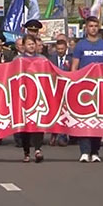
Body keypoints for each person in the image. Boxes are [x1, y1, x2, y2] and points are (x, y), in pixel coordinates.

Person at [71, 16, 103, 162]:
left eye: (95, 26)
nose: (93, 28)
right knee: (84, 119)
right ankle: (84, 151)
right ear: (86, 28)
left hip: (101, 88)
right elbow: (74, 67)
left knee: (98, 120)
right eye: (90, 26)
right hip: (84, 88)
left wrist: (100, 67)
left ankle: (95, 151)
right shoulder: (80, 45)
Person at [15, 34, 47, 162]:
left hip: (38, 95)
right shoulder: (18, 59)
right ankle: (26, 151)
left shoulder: (42, 59)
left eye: (33, 44)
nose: (31, 46)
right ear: (23, 46)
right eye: (29, 44)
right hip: (23, 97)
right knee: (25, 126)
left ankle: (38, 149)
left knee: (38, 123)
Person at [48, 39, 72, 147]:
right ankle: (54, 133)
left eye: (62, 49)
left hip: (67, 88)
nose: (60, 51)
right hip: (55, 88)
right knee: (55, 112)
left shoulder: (71, 59)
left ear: (66, 48)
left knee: (65, 112)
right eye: (58, 49)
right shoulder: (51, 59)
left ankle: (63, 136)